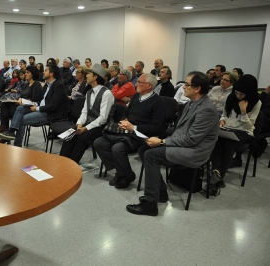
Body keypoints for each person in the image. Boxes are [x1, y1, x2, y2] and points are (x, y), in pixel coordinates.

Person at [126, 71, 218, 216]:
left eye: (187, 84)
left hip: (194, 151)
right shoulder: (191, 104)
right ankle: (161, 192)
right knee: (144, 149)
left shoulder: (207, 110)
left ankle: (150, 205)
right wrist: (161, 141)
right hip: (183, 144)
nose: (182, 88)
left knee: (151, 155)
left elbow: (191, 139)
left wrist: (162, 141)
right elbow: (179, 132)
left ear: (197, 88)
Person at [94, 73, 165, 189]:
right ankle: (124, 173)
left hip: (140, 134)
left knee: (117, 148)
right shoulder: (136, 97)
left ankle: (123, 175)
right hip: (126, 131)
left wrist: (134, 127)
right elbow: (126, 114)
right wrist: (123, 122)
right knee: (99, 142)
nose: (135, 84)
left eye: (139, 82)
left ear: (148, 86)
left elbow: (156, 127)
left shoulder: (158, 102)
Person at [210, 74, 261, 195]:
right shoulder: (230, 97)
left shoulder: (256, 103)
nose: (238, 96)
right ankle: (216, 174)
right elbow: (224, 114)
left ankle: (216, 179)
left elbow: (249, 126)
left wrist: (243, 111)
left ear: (249, 92)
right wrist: (222, 120)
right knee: (216, 141)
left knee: (229, 145)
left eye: (241, 94)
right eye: (236, 93)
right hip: (228, 128)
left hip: (244, 132)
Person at [0, 64, 67, 147]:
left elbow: (53, 106)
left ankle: (17, 145)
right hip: (40, 107)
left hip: (49, 113)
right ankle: (11, 131)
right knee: (19, 108)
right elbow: (41, 100)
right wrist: (35, 104)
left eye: (46, 70)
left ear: (52, 73)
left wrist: (37, 108)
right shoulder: (47, 85)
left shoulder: (58, 85)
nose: (43, 72)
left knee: (21, 120)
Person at [60, 64, 115, 163]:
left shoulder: (107, 93)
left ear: (95, 77)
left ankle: (72, 164)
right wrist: (79, 124)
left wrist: (85, 128)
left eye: (89, 73)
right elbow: (84, 112)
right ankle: (62, 162)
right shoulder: (89, 92)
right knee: (70, 134)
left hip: (101, 127)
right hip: (88, 123)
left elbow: (103, 118)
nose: (86, 76)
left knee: (82, 138)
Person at [0, 66, 43, 144]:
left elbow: (35, 100)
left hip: (30, 107)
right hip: (21, 105)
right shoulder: (27, 84)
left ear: (33, 74)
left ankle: (9, 134)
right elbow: (22, 95)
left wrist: (23, 101)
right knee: (4, 104)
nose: (25, 74)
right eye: (25, 72)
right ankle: (4, 129)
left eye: (27, 72)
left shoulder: (37, 84)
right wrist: (19, 99)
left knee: (18, 115)